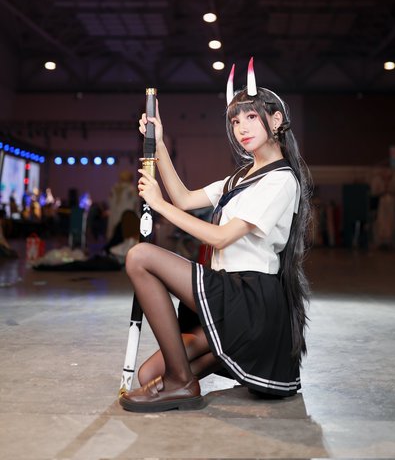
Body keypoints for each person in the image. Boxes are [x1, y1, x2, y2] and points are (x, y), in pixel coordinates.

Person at [119, 59, 312, 413]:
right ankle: (204, 364)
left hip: (250, 298)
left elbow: (222, 238)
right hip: (229, 293)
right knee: (149, 373)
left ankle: (182, 382)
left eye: (251, 116)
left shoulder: (281, 180)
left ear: (276, 120)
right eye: (235, 121)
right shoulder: (239, 178)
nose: (241, 128)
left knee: (140, 257)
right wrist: (158, 145)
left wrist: (159, 205)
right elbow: (184, 199)